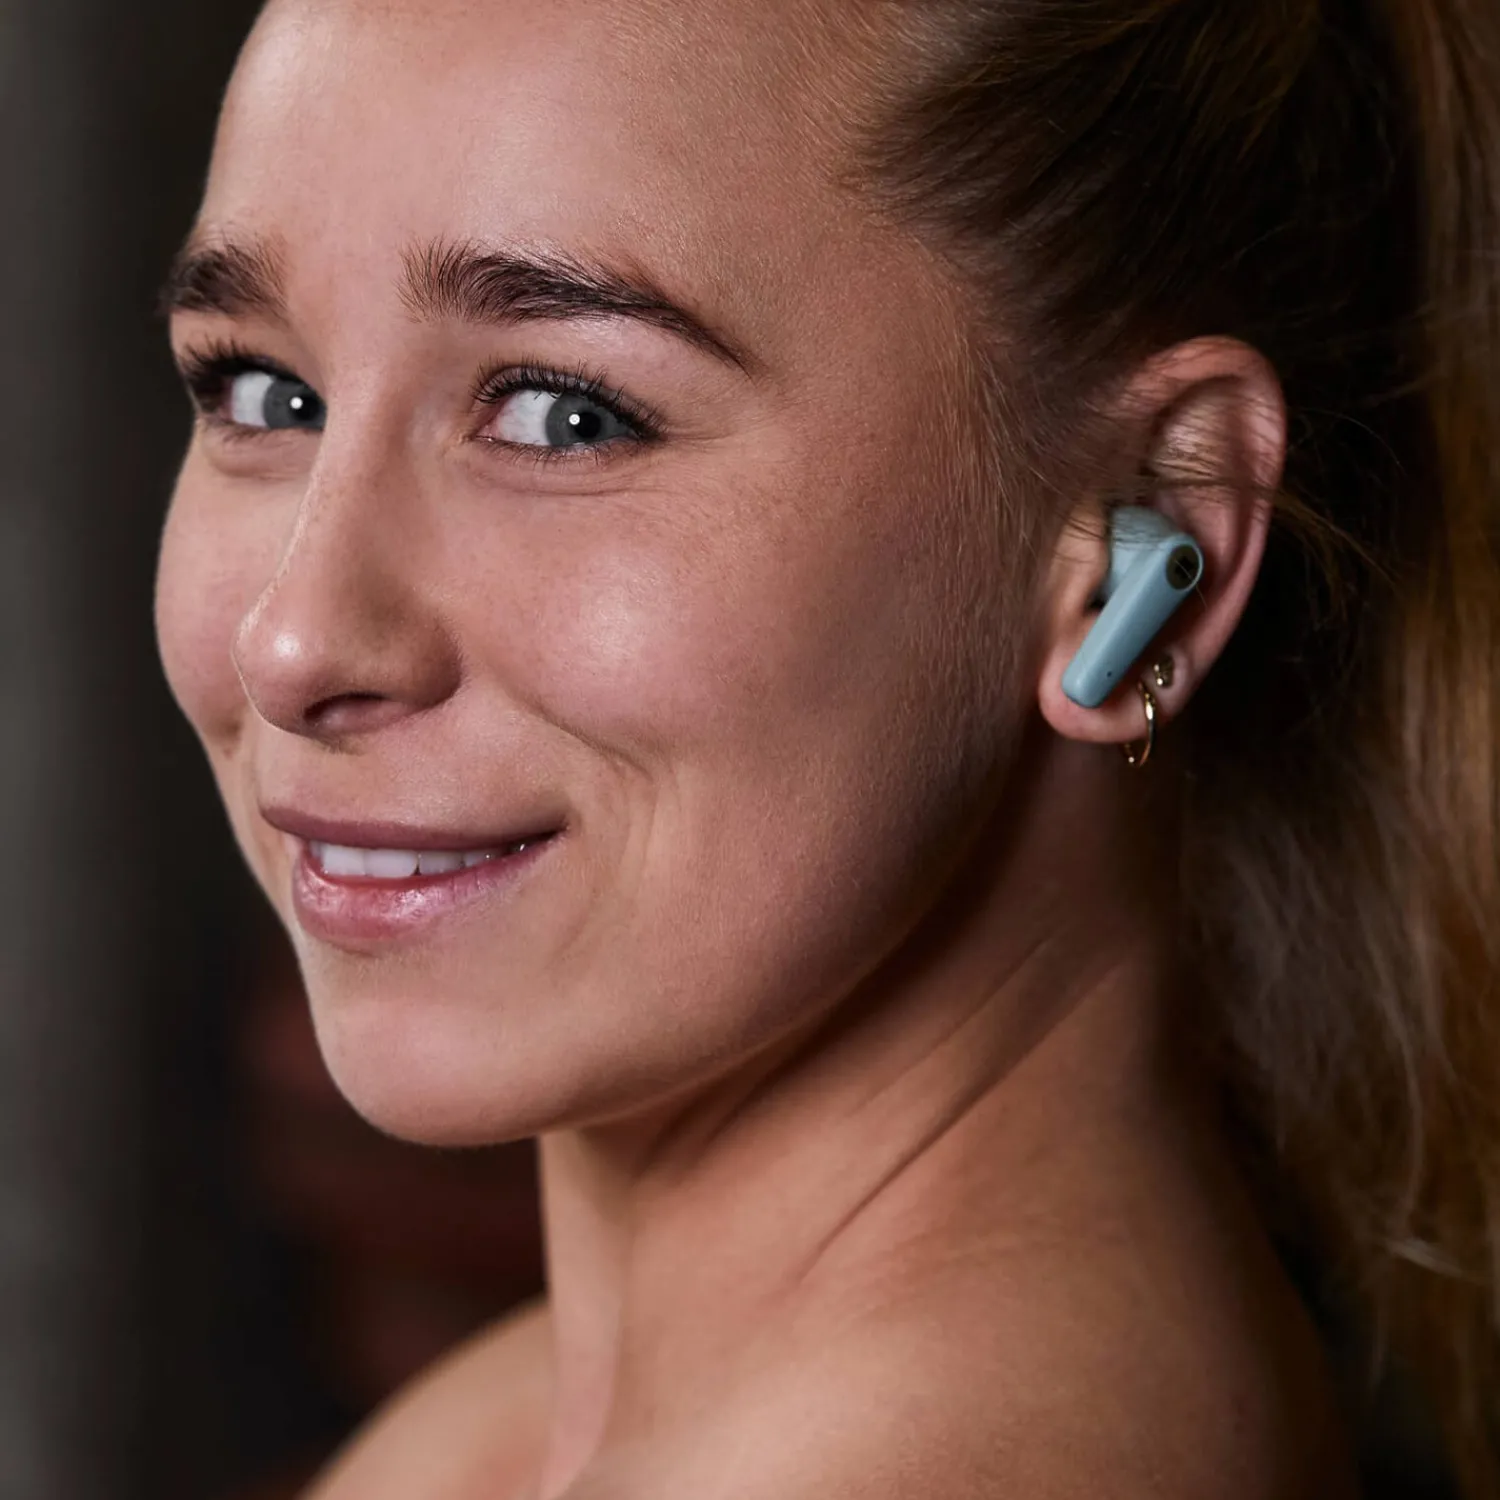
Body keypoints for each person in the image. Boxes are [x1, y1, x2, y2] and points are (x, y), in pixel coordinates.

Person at [153, 0, 1500, 1494]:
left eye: (566, 416)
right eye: (265, 393)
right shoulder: (545, 1423)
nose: (293, 643)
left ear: (1148, 542)